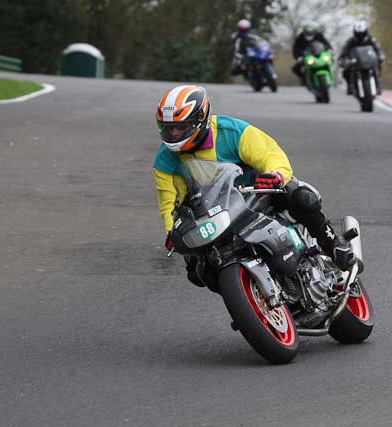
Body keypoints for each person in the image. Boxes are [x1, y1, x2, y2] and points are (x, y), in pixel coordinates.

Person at [153, 84, 357, 286]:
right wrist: (172, 233)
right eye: (168, 128)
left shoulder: (231, 131)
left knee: (302, 199)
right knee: (198, 271)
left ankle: (333, 244)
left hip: (260, 191)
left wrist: (275, 174)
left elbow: (270, 154)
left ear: (200, 119)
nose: (174, 135)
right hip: (216, 211)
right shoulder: (164, 160)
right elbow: (169, 203)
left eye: (181, 127)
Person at [338, 20, 385, 95]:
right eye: (358, 34)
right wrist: (342, 59)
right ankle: (350, 85)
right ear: (355, 32)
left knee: (378, 64)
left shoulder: (371, 39)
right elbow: (344, 51)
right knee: (346, 70)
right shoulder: (351, 41)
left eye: (362, 33)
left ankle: (377, 85)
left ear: (365, 31)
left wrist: (380, 55)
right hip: (356, 62)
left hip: (369, 60)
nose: (360, 36)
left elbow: (377, 48)